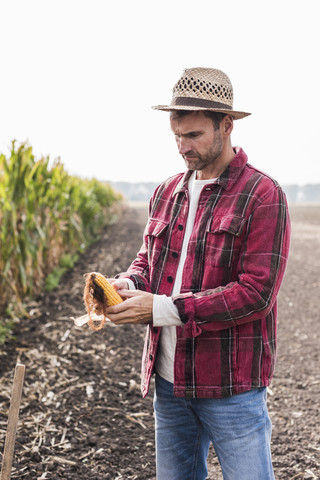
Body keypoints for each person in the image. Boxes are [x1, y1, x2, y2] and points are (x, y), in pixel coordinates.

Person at [104, 67, 291, 480]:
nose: (182, 147)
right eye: (176, 135)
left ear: (226, 125)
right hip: (169, 383)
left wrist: (163, 308)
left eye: (193, 136)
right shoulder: (167, 192)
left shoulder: (262, 195)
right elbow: (147, 263)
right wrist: (128, 285)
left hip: (231, 386)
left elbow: (256, 292)